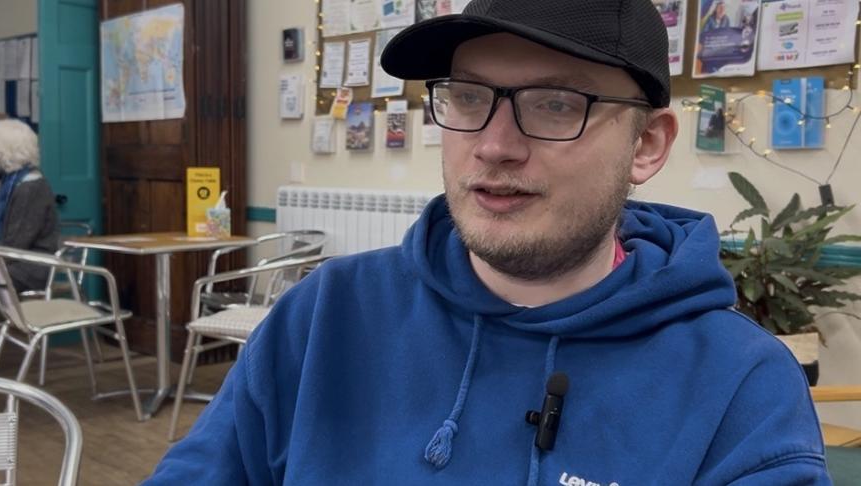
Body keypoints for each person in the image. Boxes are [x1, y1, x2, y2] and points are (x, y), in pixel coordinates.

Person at [146, 0, 829, 484]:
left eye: (557, 103)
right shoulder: (325, 315)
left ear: (646, 145)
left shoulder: (739, 384)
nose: (495, 146)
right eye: (469, 97)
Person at [0, 118, 59, 292]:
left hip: (31, 266)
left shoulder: (30, 187)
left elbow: (15, 244)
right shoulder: (10, 183)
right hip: (11, 261)